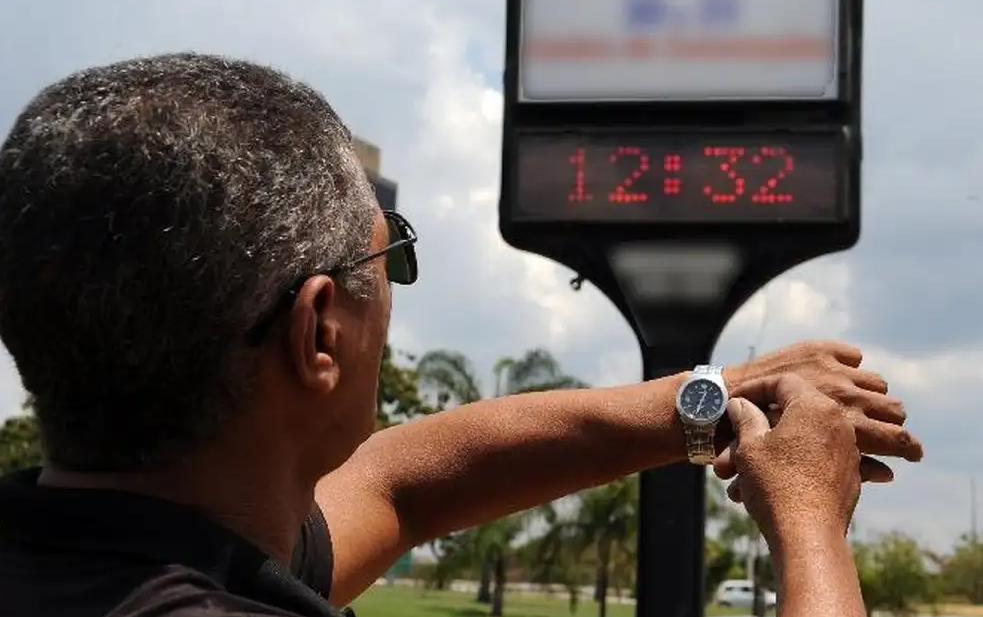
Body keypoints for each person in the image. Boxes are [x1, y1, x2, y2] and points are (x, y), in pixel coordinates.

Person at [0, 53, 921, 617]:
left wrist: (722, 390)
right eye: (390, 257)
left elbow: (406, 483)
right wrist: (808, 522)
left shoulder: (131, 544)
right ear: (320, 327)